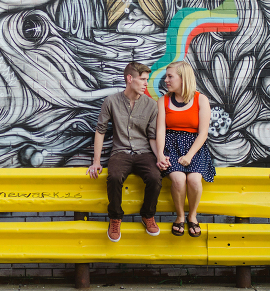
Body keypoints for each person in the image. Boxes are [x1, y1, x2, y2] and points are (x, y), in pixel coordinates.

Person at [87, 61, 164, 242]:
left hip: (144, 152)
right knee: (113, 177)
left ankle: (147, 215)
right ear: (130, 79)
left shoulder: (151, 105)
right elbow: (100, 130)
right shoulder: (111, 101)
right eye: (142, 79)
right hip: (120, 152)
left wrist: (159, 156)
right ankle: (115, 218)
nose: (146, 83)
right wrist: (96, 161)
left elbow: (152, 136)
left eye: (147, 79)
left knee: (155, 177)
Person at [155, 60, 216, 237]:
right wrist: (160, 154)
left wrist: (189, 155)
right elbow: (160, 130)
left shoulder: (200, 99)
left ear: (183, 78)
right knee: (179, 179)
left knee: (195, 181)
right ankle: (180, 216)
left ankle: (192, 216)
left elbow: (203, 133)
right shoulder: (163, 101)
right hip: (171, 146)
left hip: (195, 147)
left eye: (170, 76)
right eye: (166, 76)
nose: (166, 80)